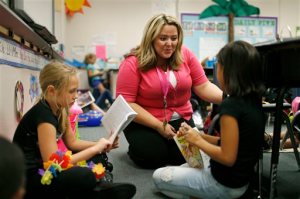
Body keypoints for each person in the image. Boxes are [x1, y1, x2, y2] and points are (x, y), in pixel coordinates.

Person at [153, 40, 266, 199]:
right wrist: (200, 136)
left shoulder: (230, 107)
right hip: (242, 182)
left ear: (228, 71)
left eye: (218, 66)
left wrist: (197, 141)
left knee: (159, 176)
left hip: (223, 185)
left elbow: (227, 157)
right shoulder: (254, 101)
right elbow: (231, 144)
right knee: (186, 166)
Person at [13, 61, 136, 199]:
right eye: (71, 91)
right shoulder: (44, 116)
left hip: (48, 168)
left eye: (76, 90)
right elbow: (53, 163)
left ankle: (97, 187)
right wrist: (95, 148)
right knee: (85, 175)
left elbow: (72, 142)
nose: (76, 96)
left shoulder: (61, 108)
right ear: (52, 91)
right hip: (33, 179)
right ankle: (97, 188)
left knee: (97, 156)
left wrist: (101, 144)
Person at [116, 13, 223, 169]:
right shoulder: (132, 62)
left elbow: (203, 86)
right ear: (151, 38)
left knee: (183, 158)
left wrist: (229, 98)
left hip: (180, 117)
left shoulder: (185, 54)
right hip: (145, 121)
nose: (169, 44)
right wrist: (158, 125)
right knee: (153, 158)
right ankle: (136, 148)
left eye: (174, 38)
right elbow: (127, 103)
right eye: (163, 38)